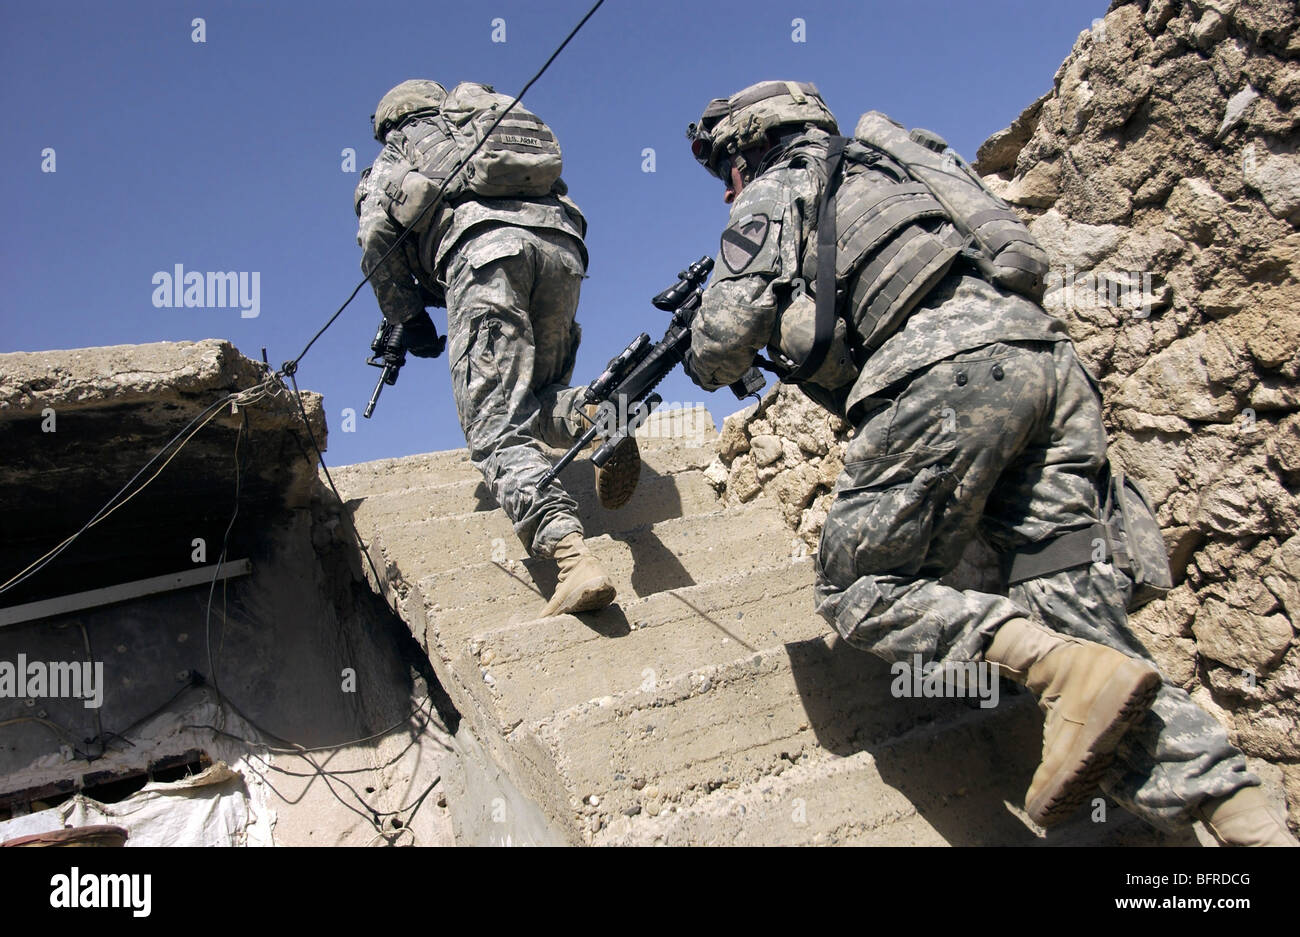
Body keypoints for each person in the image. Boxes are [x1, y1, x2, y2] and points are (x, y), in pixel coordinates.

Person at [680, 80, 1295, 846]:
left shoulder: (777, 189)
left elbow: (724, 334)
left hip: (944, 375)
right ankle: (1244, 820)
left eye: (725, 168)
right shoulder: (898, 160)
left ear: (749, 142)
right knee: (1065, 596)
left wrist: (705, 353)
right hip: (1046, 362)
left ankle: (1052, 671)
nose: (728, 186)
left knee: (858, 585)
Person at [355, 79, 639, 617]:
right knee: (536, 396)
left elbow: (375, 239)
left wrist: (409, 321)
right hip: (564, 249)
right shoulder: (479, 126)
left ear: (388, 122)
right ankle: (595, 414)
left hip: (486, 257)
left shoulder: (396, 155)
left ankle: (572, 559)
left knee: (494, 426)